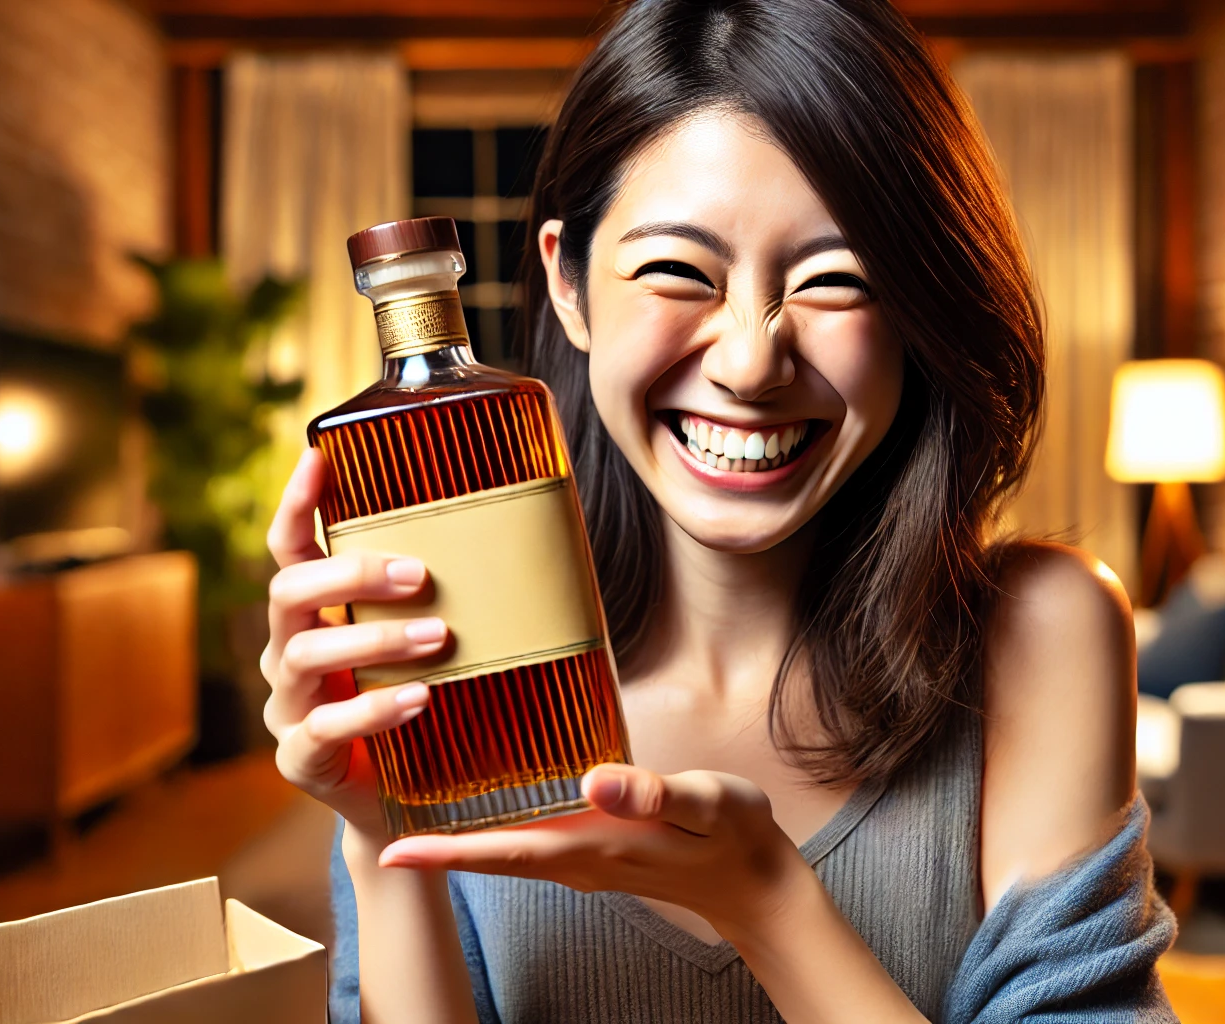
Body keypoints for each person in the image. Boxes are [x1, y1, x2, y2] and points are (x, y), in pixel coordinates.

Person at [261, 1, 1177, 1021]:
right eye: (676, 272)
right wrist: (378, 832)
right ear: (568, 282)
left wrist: (772, 908)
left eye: (840, 281)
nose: (749, 362)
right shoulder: (454, 678)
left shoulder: (1038, 632)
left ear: (919, 307)